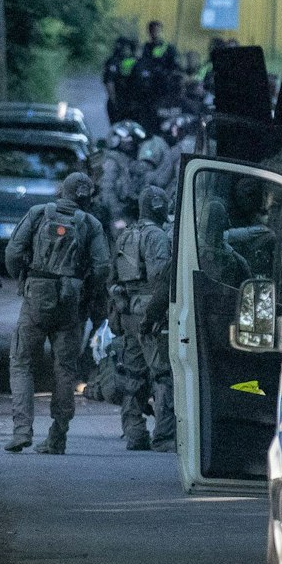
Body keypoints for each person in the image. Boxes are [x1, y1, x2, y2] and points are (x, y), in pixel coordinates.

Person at [4, 171, 110, 454]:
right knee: (65, 368)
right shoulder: (91, 224)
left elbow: (13, 253)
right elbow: (102, 267)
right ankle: (57, 436)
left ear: (62, 190)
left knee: (22, 362)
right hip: (71, 303)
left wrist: (24, 280)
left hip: (36, 297)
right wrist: (86, 292)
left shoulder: (38, 214)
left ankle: (22, 430)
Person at [110, 186, 176, 452]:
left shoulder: (125, 235)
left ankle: (134, 432)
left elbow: (113, 277)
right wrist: (155, 315)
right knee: (163, 374)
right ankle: (164, 435)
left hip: (127, 311)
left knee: (132, 375)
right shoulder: (157, 236)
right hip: (149, 312)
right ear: (159, 206)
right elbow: (161, 277)